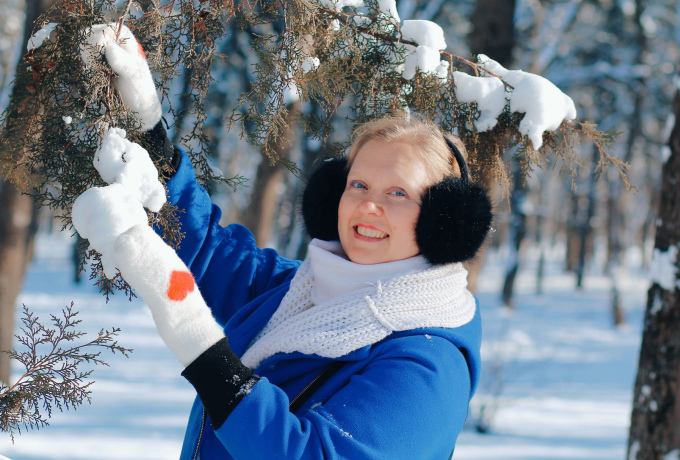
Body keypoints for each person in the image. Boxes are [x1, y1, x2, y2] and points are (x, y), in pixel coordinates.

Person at [74, 24, 493, 459]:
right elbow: (210, 252)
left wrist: (191, 331)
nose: (369, 205)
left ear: (445, 222)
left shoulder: (428, 366)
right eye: (359, 185)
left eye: (398, 193)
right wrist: (147, 128)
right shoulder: (300, 290)